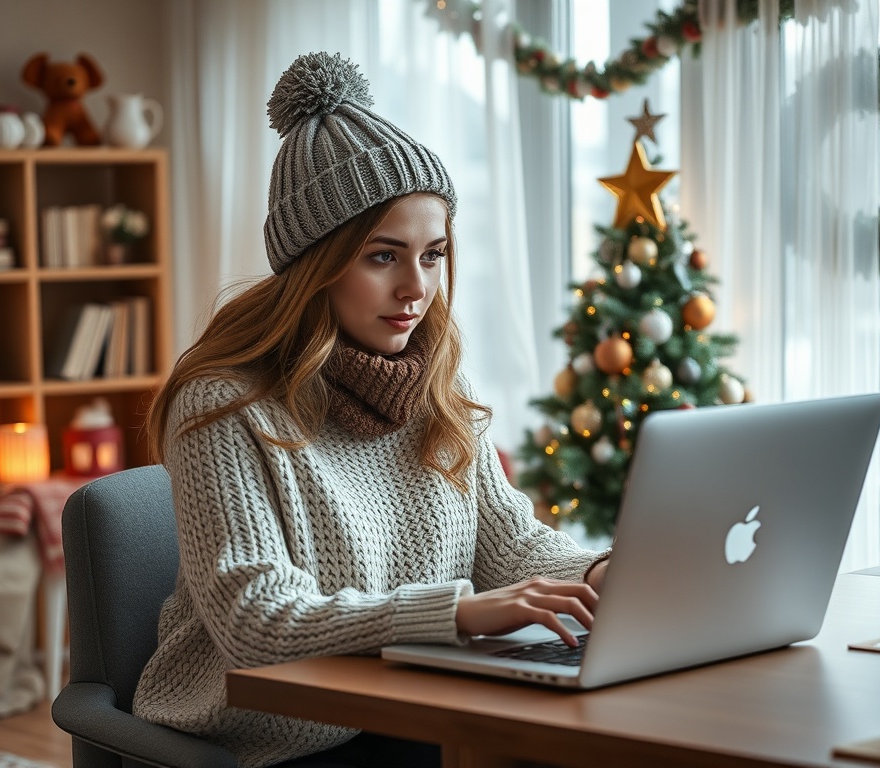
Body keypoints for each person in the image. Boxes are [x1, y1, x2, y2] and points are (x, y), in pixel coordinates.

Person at [131, 51, 611, 768]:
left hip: (406, 707)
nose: (416, 289)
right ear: (316, 263)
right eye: (383, 256)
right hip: (266, 738)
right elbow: (256, 621)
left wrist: (601, 575)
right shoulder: (224, 404)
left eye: (434, 253)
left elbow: (509, 547)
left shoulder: (437, 382)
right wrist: (454, 612)